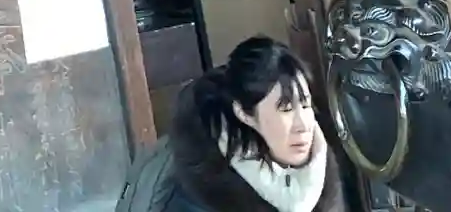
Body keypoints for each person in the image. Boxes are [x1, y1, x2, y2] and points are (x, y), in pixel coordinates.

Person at [117, 38, 346, 212]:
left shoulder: (320, 163)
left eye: (305, 105)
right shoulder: (199, 191)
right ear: (245, 114)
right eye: (285, 109)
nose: (303, 125)